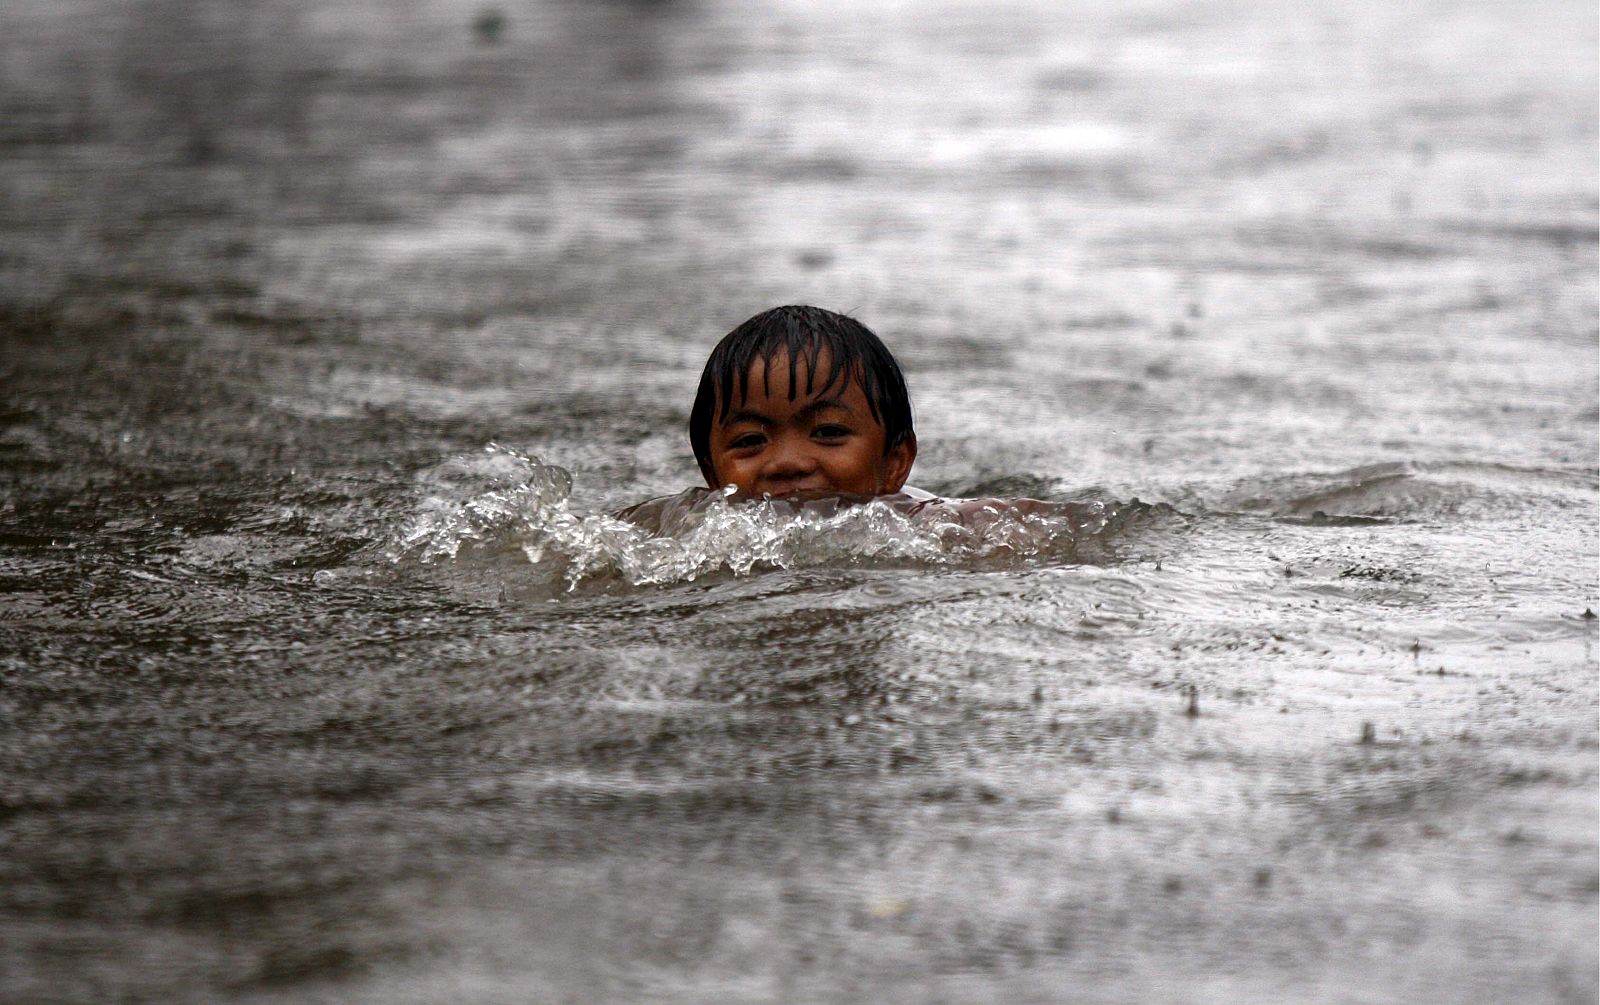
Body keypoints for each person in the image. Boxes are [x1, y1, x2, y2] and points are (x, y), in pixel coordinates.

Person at [688, 304, 932, 501]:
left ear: (894, 463)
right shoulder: (675, 539)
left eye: (828, 432)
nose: (788, 463)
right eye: (750, 440)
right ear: (712, 476)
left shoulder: (940, 533)